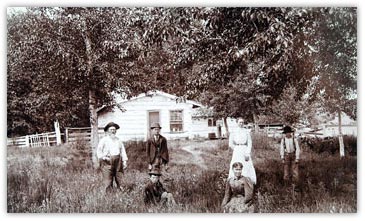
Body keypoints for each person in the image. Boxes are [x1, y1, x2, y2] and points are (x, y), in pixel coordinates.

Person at [97, 122, 128, 192]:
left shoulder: (118, 140)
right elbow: (99, 150)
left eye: (114, 130)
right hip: (107, 161)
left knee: (119, 176)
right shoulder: (104, 140)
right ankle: (109, 194)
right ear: (108, 131)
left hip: (118, 160)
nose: (113, 131)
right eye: (111, 129)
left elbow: (123, 151)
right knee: (108, 178)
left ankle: (120, 192)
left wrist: (125, 161)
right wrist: (103, 157)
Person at [228, 118, 256, 184]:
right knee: (236, 164)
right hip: (237, 150)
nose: (241, 124)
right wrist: (236, 149)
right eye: (240, 122)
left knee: (246, 164)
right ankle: (235, 182)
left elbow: (249, 143)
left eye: (242, 122)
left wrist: (247, 152)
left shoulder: (246, 131)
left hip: (245, 149)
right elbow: (230, 144)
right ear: (237, 123)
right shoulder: (233, 131)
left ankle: (247, 181)